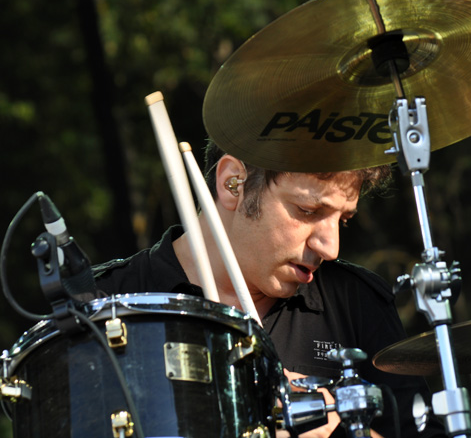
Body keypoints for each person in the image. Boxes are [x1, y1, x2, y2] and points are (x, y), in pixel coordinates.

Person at [93, 138, 447, 438]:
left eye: (343, 220)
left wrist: (342, 431)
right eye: (308, 209)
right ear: (233, 183)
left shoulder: (356, 303)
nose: (331, 247)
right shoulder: (100, 303)